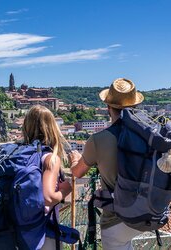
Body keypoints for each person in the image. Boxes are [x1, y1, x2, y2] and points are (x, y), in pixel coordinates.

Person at [69, 78, 144, 250]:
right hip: (148, 212)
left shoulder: (98, 140)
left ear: (108, 108)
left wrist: (74, 158)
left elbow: (77, 172)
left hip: (117, 219)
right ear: (134, 107)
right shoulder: (149, 137)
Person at [22, 105, 72, 249]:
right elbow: (48, 198)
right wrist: (65, 190)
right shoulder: (50, 158)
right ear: (52, 128)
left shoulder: (18, 154)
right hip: (42, 233)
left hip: (17, 231)